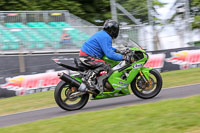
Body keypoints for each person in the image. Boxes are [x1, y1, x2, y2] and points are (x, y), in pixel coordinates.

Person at [78, 19, 128, 93]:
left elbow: (107, 48)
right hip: (88, 57)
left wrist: (119, 51)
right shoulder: (106, 37)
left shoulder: (102, 34)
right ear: (113, 30)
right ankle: (89, 81)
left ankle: (97, 83)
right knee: (106, 66)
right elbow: (109, 54)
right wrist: (123, 57)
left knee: (104, 65)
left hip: (85, 55)